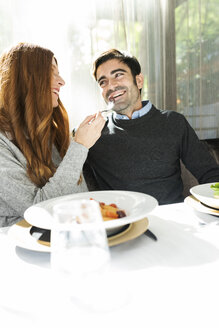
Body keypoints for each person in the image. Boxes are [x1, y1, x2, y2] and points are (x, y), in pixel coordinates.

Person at [83, 49, 219, 205]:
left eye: (118, 75)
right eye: (103, 82)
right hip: (124, 223)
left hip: (174, 219)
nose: (111, 85)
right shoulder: (92, 133)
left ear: (139, 80)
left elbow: (210, 175)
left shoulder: (174, 122)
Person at [0, 43, 105, 227]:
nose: (62, 81)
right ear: (27, 79)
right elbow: (39, 210)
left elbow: (78, 196)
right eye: (52, 72)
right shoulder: (3, 144)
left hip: (67, 238)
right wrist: (79, 146)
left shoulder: (49, 131)